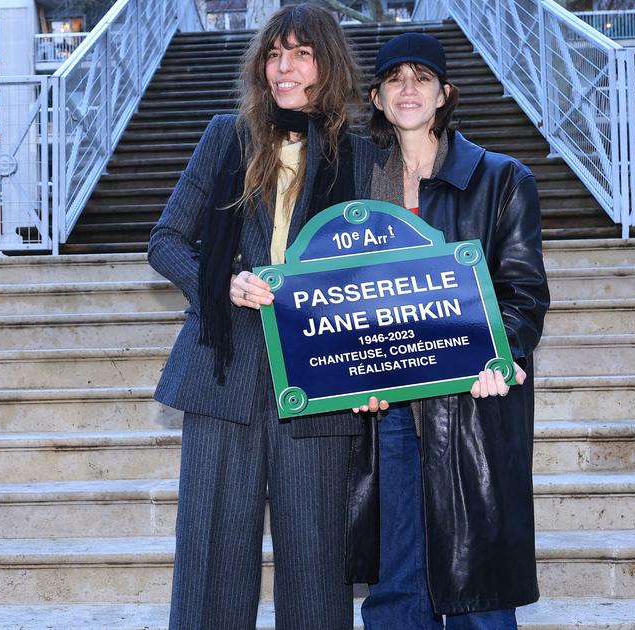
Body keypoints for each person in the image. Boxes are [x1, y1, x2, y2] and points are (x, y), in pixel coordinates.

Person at [146, 4, 384, 629]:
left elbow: (380, 274)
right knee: (211, 562)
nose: (284, 67)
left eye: (301, 54)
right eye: (275, 54)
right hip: (224, 373)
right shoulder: (227, 136)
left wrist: (375, 373)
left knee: (316, 569)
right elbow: (165, 240)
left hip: (322, 377)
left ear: (327, 64)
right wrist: (223, 283)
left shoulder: (360, 157)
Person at [346, 32, 551, 629]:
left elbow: (523, 292)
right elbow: (337, 296)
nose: (408, 89)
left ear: (444, 93)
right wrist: (344, 373)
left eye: (422, 78)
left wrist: (502, 354)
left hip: (469, 411)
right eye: (394, 80)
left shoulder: (503, 180)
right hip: (385, 415)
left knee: (474, 585)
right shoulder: (357, 188)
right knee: (396, 584)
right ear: (378, 98)